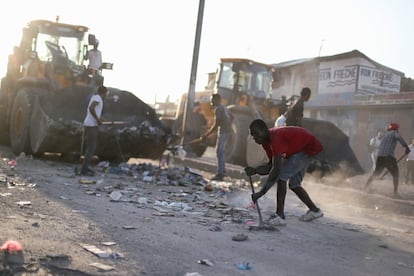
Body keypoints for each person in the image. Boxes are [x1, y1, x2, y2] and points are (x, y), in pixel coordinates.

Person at [245, 119, 324, 226]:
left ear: (264, 131)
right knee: (294, 184)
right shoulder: (266, 143)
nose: (255, 138)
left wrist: (261, 193)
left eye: (256, 134)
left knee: (281, 178)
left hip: (307, 147)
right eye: (253, 135)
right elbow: (270, 167)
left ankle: (280, 216)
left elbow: (276, 169)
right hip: (301, 148)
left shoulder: (275, 139)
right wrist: (255, 170)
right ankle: (315, 211)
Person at [364, 123, 410, 198]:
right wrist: (406, 147)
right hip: (388, 157)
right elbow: (399, 137)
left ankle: (366, 187)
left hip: (380, 157)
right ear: (396, 129)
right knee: (396, 174)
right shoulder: (394, 133)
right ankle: (395, 193)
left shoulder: (385, 135)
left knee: (375, 173)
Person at [201, 94, 232, 181]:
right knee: (221, 152)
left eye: (212, 100)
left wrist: (206, 135)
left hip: (223, 132)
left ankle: (220, 173)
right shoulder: (225, 108)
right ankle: (222, 171)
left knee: (219, 152)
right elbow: (232, 117)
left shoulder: (218, 109)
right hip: (227, 131)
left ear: (216, 100)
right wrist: (227, 125)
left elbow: (216, 124)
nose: (211, 103)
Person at [80, 85, 108, 176]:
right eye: (106, 94)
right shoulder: (98, 98)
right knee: (91, 148)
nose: (106, 96)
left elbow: (93, 110)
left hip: (91, 124)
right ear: (103, 93)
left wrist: (100, 119)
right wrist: (97, 119)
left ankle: (85, 167)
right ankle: (84, 170)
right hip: (91, 125)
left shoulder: (96, 97)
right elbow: (92, 108)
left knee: (90, 148)